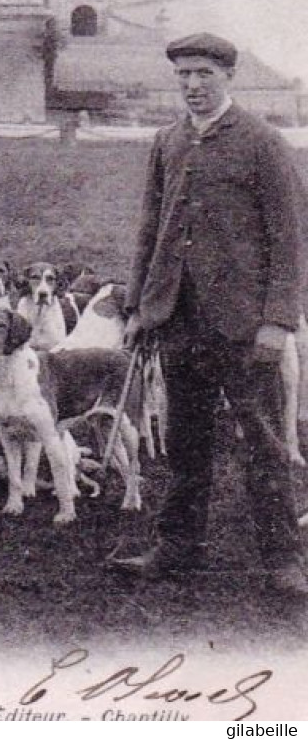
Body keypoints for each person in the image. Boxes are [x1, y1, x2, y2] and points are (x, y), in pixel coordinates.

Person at [113, 32, 307, 598]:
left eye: (204, 75)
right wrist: (138, 308)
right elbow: (151, 231)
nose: (193, 86)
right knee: (185, 442)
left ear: (227, 77)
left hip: (246, 329)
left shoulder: (262, 142)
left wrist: (277, 320)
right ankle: (177, 550)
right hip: (178, 321)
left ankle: (282, 560)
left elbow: (289, 237)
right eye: (184, 76)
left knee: (265, 444)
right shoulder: (167, 142)